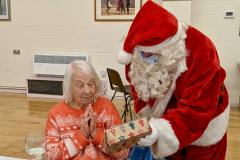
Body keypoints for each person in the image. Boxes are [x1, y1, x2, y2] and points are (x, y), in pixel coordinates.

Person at [117, 0, 229, 160]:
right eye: (144, 54)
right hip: (166, 118)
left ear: (168, 48)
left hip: (204, 124)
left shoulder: (201, 51)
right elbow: (138, 89)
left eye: (153, 54)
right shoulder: (136, 55)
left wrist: (159, 129)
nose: (148, 59)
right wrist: (148, 123)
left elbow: (197, 110)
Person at [45, 60, 129, 160]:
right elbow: (50, 157)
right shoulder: (56, 114)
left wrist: (96, 134)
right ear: (69, 87)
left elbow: (123, 153)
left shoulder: (107, 107)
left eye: (91, 84)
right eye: (80, 85)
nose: (88, 91)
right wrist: (81, 136)